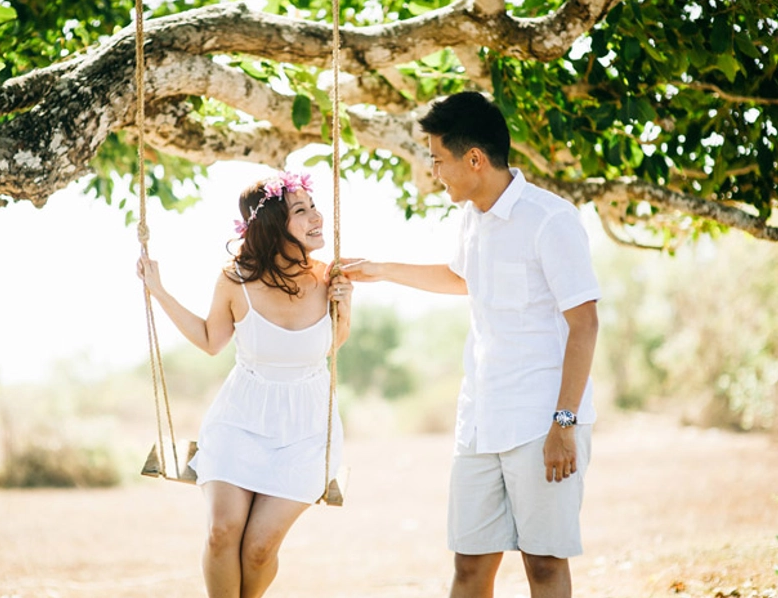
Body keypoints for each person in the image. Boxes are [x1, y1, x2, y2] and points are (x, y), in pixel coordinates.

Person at [341, 91, 601, 598]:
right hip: (479, 420)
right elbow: (462, 277)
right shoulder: (471, 217)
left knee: (544, 565)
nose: (434, 170)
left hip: (541, 422)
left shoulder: (551, 220)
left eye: (438, 158)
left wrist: (563, 424)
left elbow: (585, 324)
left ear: (474, 159)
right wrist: (379, 270)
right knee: (469, 566)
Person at [137, 170, 353, 598]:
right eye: (301, 210)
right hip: (240, 421)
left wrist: (344, 309)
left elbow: (332, 346)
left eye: (314, 206)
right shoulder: (236, 280)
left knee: (257, 548)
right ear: (274, 224)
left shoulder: (330, 276)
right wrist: (157, 291)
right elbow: (210, 341)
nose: (317, 217)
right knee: (223, 532)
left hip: (306, 430)